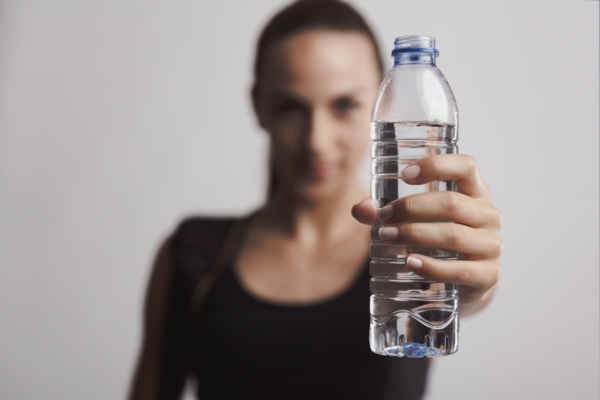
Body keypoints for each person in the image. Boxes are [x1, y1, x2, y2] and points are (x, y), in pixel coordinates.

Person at [129, 1, 502, 399]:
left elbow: (460, 299)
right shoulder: (194, 254)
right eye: (291, 107)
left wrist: (474, 285)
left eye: (345, 105)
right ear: (258, 105)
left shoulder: (413, 246)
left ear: (383, 105)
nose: (316, 142)